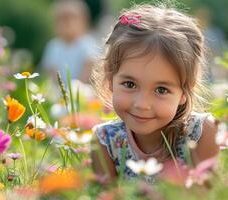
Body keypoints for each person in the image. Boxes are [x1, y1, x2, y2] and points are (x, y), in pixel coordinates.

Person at [90, 4, 219, 183]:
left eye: (161, 90)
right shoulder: (106, 141)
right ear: (111, 79)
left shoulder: (201, 133)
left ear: (185, 90)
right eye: (129, 84)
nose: (142, 104)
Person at [40, 0, 99, 83]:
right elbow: (50, 73)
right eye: (62, 18)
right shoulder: (53, 46)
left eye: (72, 17)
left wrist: (75, 90)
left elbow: (88, 69)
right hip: (58, 92)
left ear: (84, 21)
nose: (67, 22)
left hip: (82, 91)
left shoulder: (88, 44)